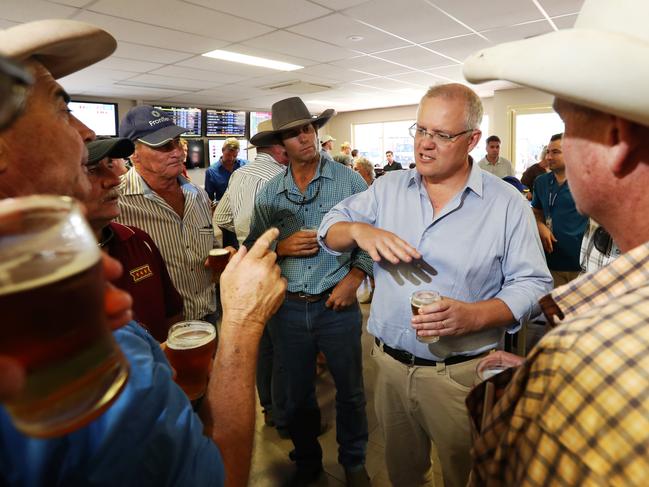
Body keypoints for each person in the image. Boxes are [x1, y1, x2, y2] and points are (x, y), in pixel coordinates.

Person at [0, 19, 287, 487]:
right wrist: (245, 319)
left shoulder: (192, 195)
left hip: (196, 327)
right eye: (58, 105)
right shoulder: (67, 351)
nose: (83, 129)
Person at [319, 83, 552, 487]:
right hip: (390, 369)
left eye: (441, 135)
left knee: (466, 475)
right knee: (404, 473)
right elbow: (328, 229)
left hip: (461, 375)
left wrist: (473, 316)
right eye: (420, 130)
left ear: (472, 140)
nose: (424, 145)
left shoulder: (505, 203)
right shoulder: (387, 189)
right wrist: (359, 231)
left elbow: (533, 284)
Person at [463, 0, 649, 483]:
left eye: (568, 126)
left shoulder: (586, 356)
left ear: (616, 138)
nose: (560, 146)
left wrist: (556, 380)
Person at [245, 96, 373, 487]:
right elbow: (254, 247)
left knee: (350, 391)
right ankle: (306, 459)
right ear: (280, 144)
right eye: (294, 133)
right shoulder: (269, 193)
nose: (305, 137)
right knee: (297, 395)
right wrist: (279, 247)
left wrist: (354, 280)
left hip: (337, 305)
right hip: (288, 308)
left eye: (308, 129)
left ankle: (353, 461)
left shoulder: (349, 181)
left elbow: (371, 237)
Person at [213, 119, 289, 431]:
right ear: (279, 149)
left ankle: (269, 408)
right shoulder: (283, 176)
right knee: (285, 346)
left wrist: (246, 234)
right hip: (280, 265)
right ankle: (285, 416)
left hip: (249, 267)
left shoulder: (239, 174)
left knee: (263, 344)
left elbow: (222, 217)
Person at [117, 105, 218, 324]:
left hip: (208, 316)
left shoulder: (198, 195)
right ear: (133, 153)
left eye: (177, 142)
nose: (178, 152)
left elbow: (209, 247)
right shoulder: (115, 203)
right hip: (157, 332)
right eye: (163, 145)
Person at [84, 137, 184, 342]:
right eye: (91, 170)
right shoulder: (40, 275)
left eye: (110, 165)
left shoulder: (137, 239)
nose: (114, 179)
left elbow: (172, 314)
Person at [531, 133, 588, 287]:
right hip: (550, 262)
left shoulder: (586, 183)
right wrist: (540, 225)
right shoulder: (541, 182)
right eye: (548, 152)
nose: (549, 157)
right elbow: (536, 211)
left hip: (582, 265)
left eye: (555, 152)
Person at [204, 137, 247, 203]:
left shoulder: (245, 165)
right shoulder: (211, 171)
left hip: (243, 206)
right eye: (228, 155)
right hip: (223, 209)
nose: (231, 158)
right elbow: (209, 198)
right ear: (222, 150)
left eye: (234, 156)